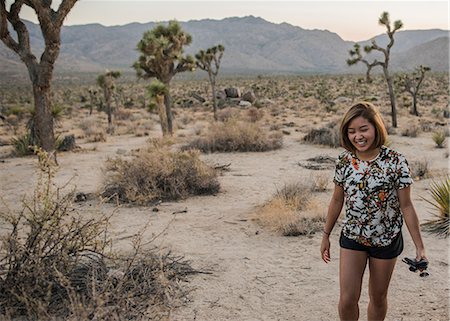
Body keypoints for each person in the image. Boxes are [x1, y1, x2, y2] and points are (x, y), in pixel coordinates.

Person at [320, 102, 427, 321]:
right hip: (353, 237)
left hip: (386, 240)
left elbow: (406, 206)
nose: (357, 136)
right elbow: (337, 199)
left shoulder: (396, 161)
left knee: (378, 298)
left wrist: (420, 247)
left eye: (363, 129)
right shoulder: (344, 160)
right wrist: (325, 235)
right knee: (347, 299)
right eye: (351, 131)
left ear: (376, 128)